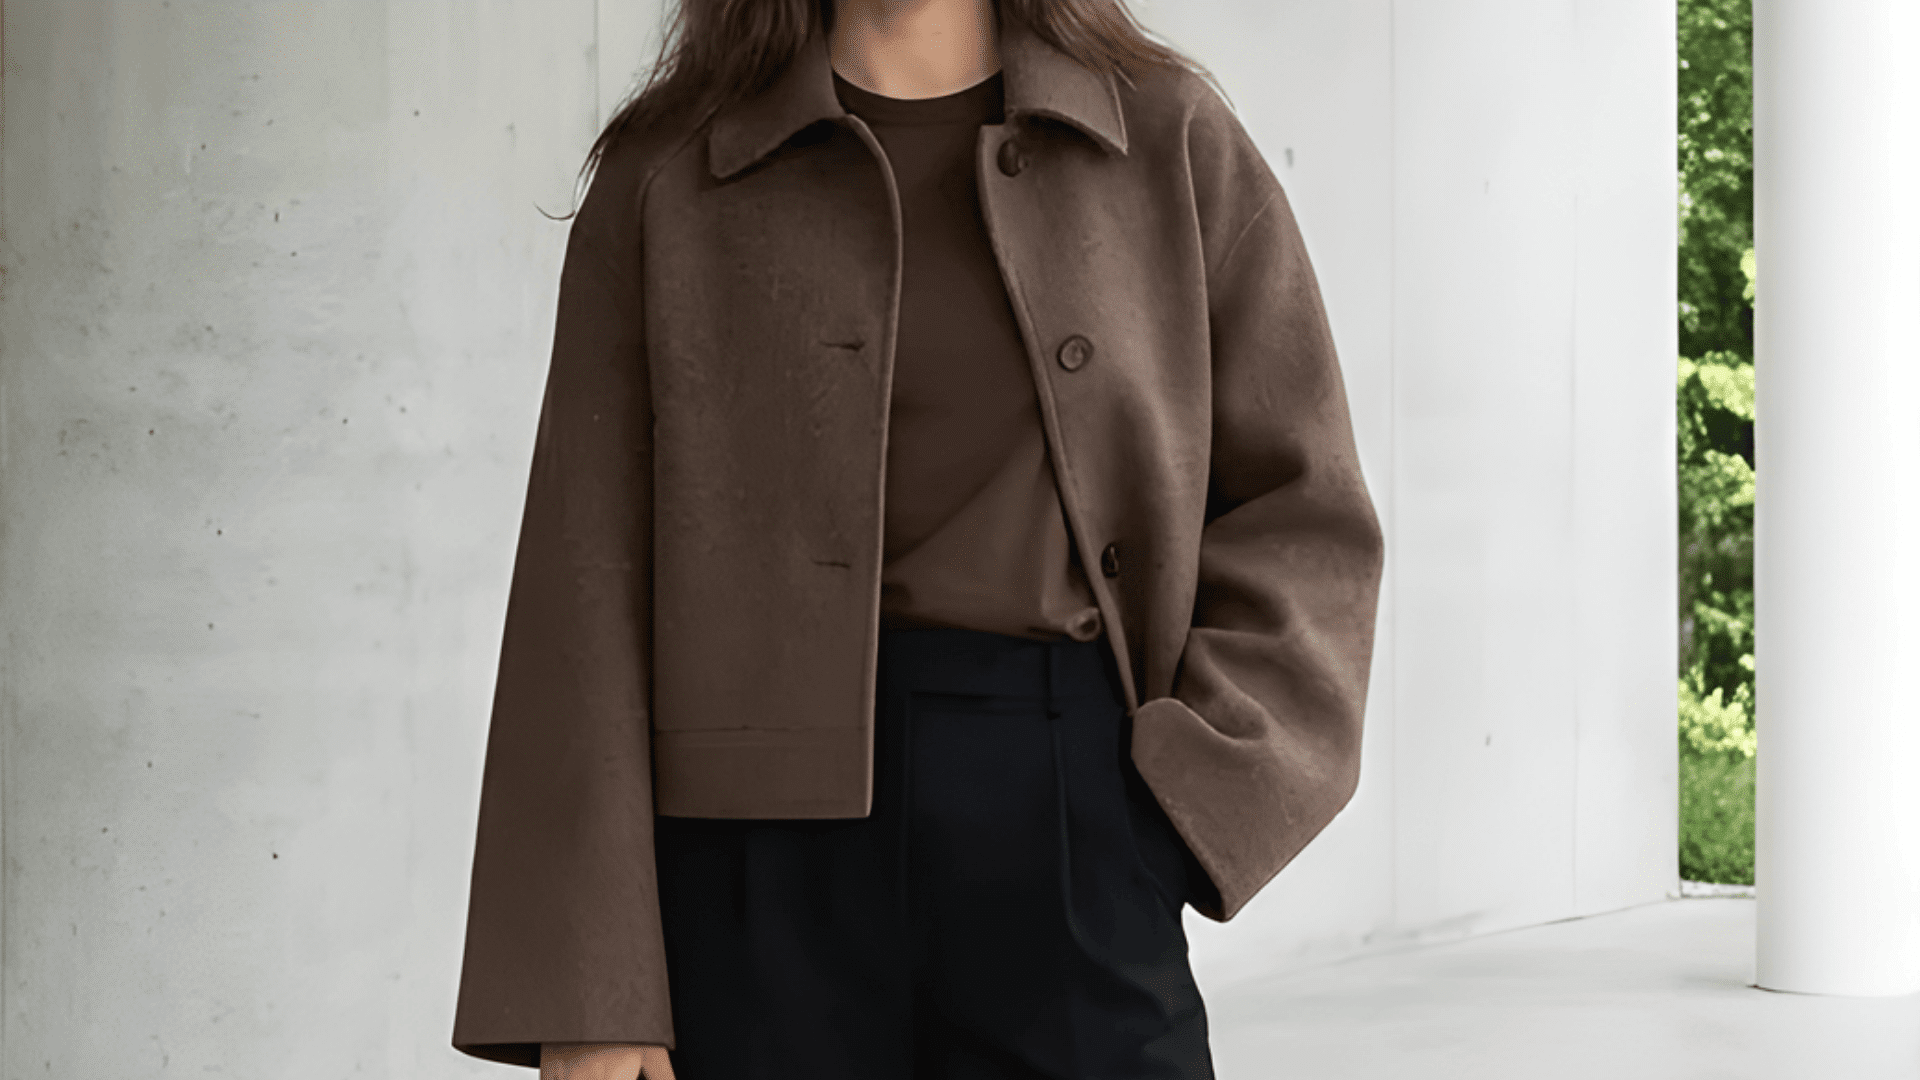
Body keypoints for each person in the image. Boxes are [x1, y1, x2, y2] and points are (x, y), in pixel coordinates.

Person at [452, 0, 1386, 1077]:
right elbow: (584, 582)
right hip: (747, 855)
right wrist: (594, 992)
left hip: (1071, 809)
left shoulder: (1165, 139)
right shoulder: (669, 174)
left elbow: (1301, 509)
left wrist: (1174, 816)